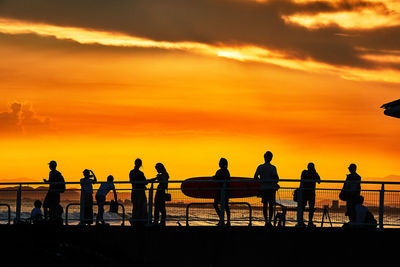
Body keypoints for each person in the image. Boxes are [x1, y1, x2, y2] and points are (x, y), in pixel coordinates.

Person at [254, 151, 279, 227]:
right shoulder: (273, 168)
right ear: (271, 158)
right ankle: (269, 221)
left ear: (264, 157)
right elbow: (277, 179)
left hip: (263, 188)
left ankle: (266, 221)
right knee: (271, 205)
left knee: (265, 205)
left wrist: (261, 181)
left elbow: (255, 177)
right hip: (271, 189)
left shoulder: (260, 167)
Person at [297, 163, 320, 227]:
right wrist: (315, 172)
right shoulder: (314, 173)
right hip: (311, 193)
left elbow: (302, 180)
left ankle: (301, 221)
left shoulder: (304, 172)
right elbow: (319, 181)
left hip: (304, 192)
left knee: (302, 208)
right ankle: (310, 222)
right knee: (311, 208)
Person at [129, 158, 148, 226]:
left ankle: (135, 220)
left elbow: (132, 181)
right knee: (141, 206)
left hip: (134, 191)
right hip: (140, 192)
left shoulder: (131, 172)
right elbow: (145, 182)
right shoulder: (140, 173)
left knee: (135, 206)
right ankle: (140, 220)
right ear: (140, 164)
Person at [213, 158, 231, 226]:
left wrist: (214, 177)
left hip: (221, 191)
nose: (219, 163)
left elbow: (216, 178)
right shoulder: (227, 171)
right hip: (226, 191)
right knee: (226, 206)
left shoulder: (220, 171)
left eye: (220, 162)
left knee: (216, 205)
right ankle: (225, 221)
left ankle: (222, 220)